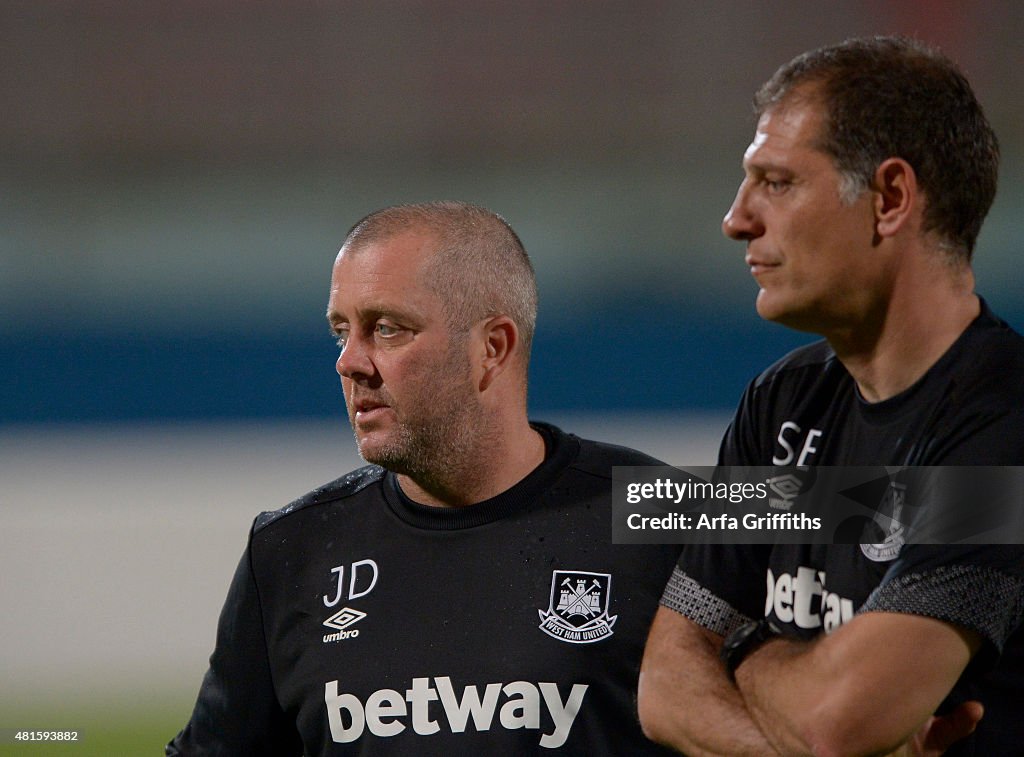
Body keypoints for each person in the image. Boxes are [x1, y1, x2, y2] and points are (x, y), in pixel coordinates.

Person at [167, 201, 681, 755]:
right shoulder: (289, 551)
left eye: (387, 329)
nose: (349, 362)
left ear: (492, 348)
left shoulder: (672, 512)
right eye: (342, 331)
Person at [638, 36, 1024, 756]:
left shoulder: (1001, 427)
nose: (736, 219)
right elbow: (663, 682)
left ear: (890, 199)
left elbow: (837, 721)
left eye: (776, 182)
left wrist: (740, 645)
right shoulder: (779, 403)